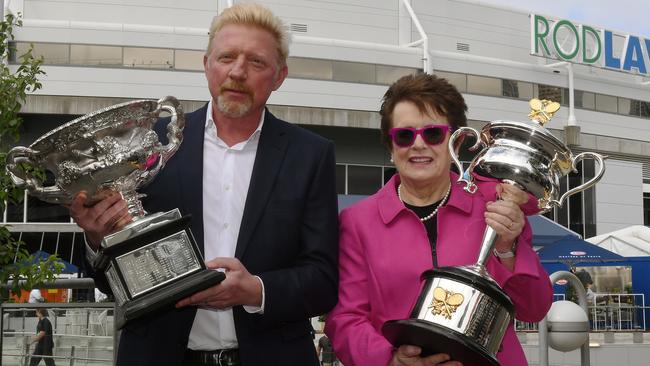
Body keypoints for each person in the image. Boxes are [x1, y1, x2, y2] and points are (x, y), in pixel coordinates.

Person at [67, 3, 339, 366]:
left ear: (279, 76)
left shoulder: (311, 155)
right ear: (207, 64)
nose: (238, 72)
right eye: (227, 57)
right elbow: (107, 283)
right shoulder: (148, 145)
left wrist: (256, 290)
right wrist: (99, 239)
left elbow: (323, 279)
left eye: (256, 62)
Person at [324, 74, 553, 366]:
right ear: (390, 148)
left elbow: (533, 309)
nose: (418, 145)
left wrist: (508, 248)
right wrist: (389, 360)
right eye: (404, 136)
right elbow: (346, 317)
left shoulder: (496, 205)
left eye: (433, 134)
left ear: (455, 142)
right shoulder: (358, 221)